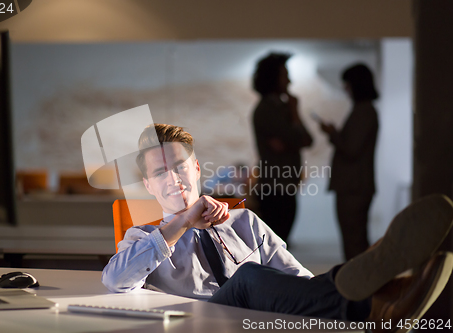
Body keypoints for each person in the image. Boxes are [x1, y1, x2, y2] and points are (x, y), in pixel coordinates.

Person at [102, 123, 453, 333]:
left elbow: (298, 283)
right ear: (148, 185)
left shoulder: (243, 221)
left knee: (289, 283)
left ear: (195, 168)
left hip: (261, 322)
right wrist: (184, 220)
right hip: (200, 322)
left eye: (178, 166)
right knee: (248, 277)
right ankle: (379, 302)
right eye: (160, 173)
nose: (173, 179)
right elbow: (115, 279)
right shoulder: (143, 239)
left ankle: (378, 294)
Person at [252, 52, 313, 243]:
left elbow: (307, 140)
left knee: (280, 242)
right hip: (274, 186)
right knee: (276, 244)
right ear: (272, 78)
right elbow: (298, 138)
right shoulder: (266, 110)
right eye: (284, 75)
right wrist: (294, 115)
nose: (289, 80)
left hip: (284, 184)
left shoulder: (282, 108)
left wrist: (294, 116)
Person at [320, 63, 379, 261]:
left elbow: (352, 149)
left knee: (354, 243)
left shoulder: (364, 112)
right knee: (355, 240)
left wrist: (333, 134)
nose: (345, 89)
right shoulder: (364, 111)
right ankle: (359, 288)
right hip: (355, 186)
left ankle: (358, 290)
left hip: (354, 187)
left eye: (347, 84)